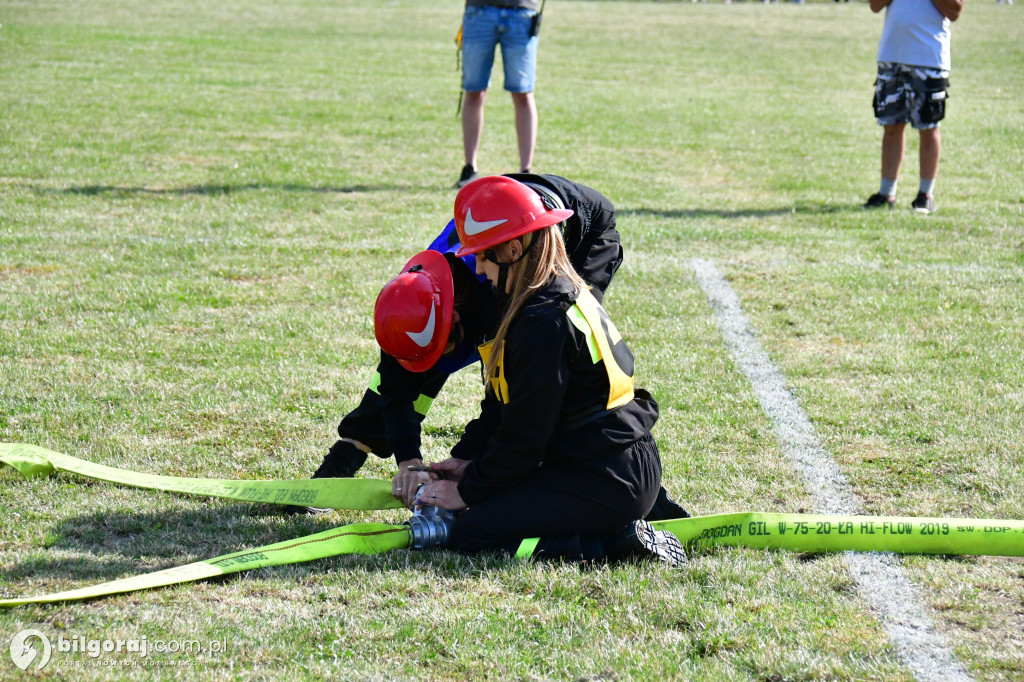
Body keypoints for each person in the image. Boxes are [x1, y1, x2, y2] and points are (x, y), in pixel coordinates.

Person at [401, 176, 687, 565]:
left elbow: (524, 439)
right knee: (483, 514)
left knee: (471, 532)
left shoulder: (541, 321)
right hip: (604, 463)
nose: (479, 269)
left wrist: (467, 491)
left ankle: (614, 544)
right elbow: (504, 412)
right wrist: (465, 465)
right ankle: (605, 526)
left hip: (605, 478)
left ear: (514, 249)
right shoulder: (545, 296)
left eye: (484, 257)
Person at [863, 0, 964, 215]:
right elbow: (874, 5)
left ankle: (925, 195)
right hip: (892, 55)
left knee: (928, 126)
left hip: (929, 57)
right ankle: (886, 192)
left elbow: (955, 10)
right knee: (891, 126)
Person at [454, 0, 542, 188]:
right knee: (474, 90)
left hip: (522, 11)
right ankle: (470, 167)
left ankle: (526, 172)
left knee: (523, 93)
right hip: (479, 11)